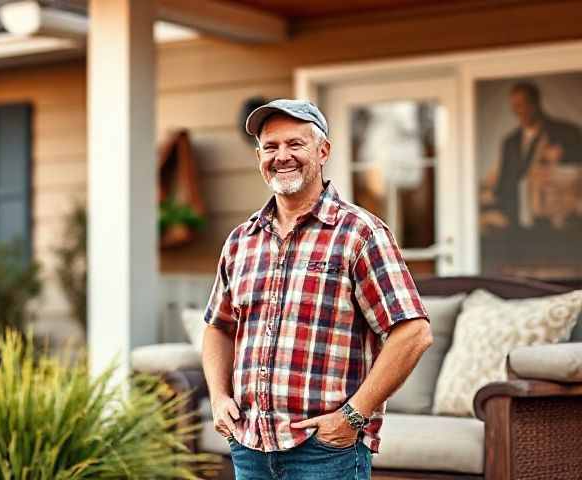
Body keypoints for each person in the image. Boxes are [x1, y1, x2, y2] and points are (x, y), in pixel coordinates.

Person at [202, 99, 433, 480]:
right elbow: (218, 326)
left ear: (322, 151)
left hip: (325, 452)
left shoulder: (360, 234)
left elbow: (413, 332)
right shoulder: (242, 240)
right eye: (271, 147)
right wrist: (218, 397)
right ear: (259, 156)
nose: (282, 156)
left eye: (295, 144)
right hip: (249, 446)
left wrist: (353, 416)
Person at [480, 82, 582, 231]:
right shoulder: (510, 142)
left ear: (536, 102)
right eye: (514, 106)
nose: (518, 111)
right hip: (515, 223)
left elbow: (577, 174)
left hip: (556, 222)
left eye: (523, 104)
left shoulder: (567, 133)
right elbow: (504, 184)